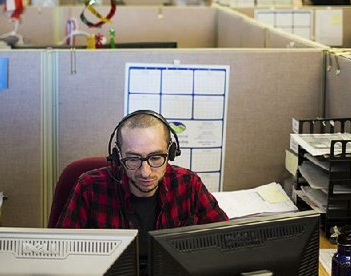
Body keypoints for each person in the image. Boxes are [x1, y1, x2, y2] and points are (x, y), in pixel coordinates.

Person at [55, 110, 227, 270]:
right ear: (117, 156)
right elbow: (61, 254)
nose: (145, 172)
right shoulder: (89, 187)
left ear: (171, 152)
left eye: (156, 157)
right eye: (133, 159)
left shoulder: (188, 184)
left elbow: (227, 242)